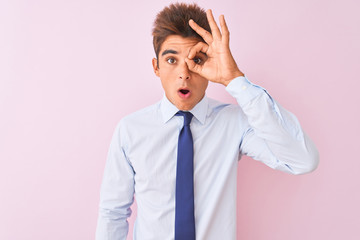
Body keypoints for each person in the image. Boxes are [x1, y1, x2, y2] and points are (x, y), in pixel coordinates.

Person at [95, 2, 319, 240]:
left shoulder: (235, 123)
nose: (184, 73)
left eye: (196, 60)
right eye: (171, 60)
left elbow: (303, 160)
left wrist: (234, 79)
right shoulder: (130, 130)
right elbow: (113, 213)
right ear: (156, 67)